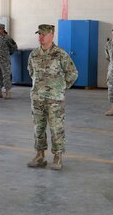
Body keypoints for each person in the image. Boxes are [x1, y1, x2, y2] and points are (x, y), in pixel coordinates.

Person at [27, 24, 78, 171]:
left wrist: (60, 87)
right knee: (38, 127)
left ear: (52, 36)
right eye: (39, 34)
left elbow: (73, 73)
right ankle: (39, 155)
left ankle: (58, 156)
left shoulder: (60, 54)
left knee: (56, 128)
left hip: (55, 98)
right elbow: (31, 72)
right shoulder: (34, 54)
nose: (40, 37)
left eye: (43, 34)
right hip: (37, 97)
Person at [0, 24, 18, 99]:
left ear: (3, 29)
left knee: (6, 76)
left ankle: (8, 92)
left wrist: (8, 54)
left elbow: (14, 47)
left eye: (0, 29)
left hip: (5, 61)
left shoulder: (7, 38)